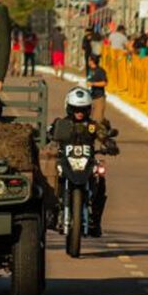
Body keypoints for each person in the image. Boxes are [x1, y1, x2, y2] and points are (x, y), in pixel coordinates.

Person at [50, 87, 119, 237]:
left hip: (87, 162)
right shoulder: (61, 123)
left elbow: (103, 134)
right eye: (75, 109)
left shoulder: (93, 125)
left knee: (100, 178)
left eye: (82, 109)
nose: (79, 112)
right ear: (69, 108)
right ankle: (52, 213)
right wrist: (46, 137)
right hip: (65, 161)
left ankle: (95, 219)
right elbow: (49, 133)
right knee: (50, 175)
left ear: (88, 109)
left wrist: (109, 143)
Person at [85, 55, 108, 123]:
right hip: (90, 98)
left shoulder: (100, 71)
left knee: (97, 121)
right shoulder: (90, 70)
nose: (88, 61)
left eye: (89, 60)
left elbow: (105, 83)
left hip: (98, 99)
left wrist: (93, 84)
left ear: (92, 61)